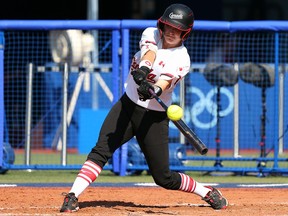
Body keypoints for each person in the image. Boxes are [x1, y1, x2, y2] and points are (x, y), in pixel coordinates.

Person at [60, 3, 228, 213]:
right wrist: (143, 71)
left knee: (163, 178)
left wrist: (155, 89)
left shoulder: (182, 58)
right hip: (127, 106)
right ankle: (73, 195)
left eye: (177, 30)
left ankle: (206, 191)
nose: (171, 33)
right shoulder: (150, 33)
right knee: (102, 149)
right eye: (168, 27)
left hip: (153, 118)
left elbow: (165, 83)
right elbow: (149, 53)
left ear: (185, 34)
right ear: (162, 26)